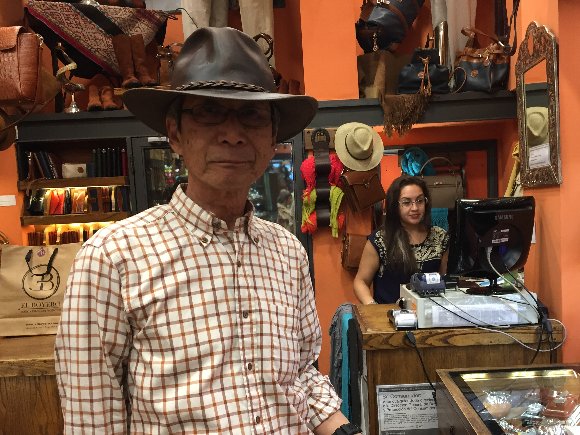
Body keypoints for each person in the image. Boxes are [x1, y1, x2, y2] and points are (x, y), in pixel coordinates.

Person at [55, 27, 360, 435]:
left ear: (273, 138)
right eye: (209, 111)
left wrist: (344, 430)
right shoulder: (111, 258)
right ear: (175, 133)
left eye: (252, 115)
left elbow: (301, 373)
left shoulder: (288, 252)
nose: (232, 134)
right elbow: (92, 418)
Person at [354, 175, 449, 305]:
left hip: (429, 313)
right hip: (390, 314)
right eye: (406, 202)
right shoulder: (380, 239)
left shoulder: (440, 236)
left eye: (420, 201)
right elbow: (361, 282)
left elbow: (445, 280)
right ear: (395, 205)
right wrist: (373, 307)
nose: (415, 208)